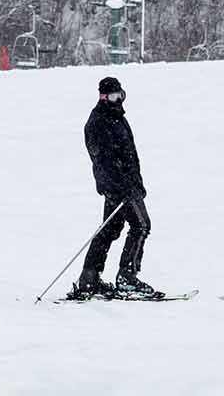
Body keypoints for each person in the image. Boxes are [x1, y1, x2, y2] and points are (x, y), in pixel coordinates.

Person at [72, 76, 155, 300]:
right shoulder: (98, 122)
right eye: (113, 96)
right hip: (118, 187)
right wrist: (122, 186)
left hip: (127, 185)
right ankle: (127, 277)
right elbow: (104, 160)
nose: (118, 99)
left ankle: (90, 279)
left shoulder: (118, 117)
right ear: (103, 97)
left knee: (109, 230)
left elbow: (130, 155)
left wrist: (138, 183)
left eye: (121, 95)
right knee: (141, 225)